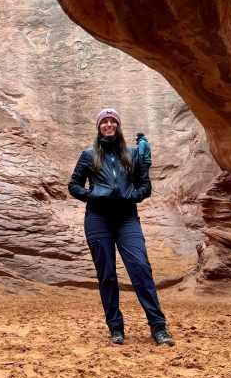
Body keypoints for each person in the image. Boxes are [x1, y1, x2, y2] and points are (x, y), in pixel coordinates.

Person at [68, 108, 175, 346]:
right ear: (99, 127)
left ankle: (158, 327)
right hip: (98, 219)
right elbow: (73, 185)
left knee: (140, 267)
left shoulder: (133, 154)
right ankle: (115, 328)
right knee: (106, 274)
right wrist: (93, 196)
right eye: (104, 122)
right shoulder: (89, 155)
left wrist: (134, 189)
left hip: (127, 219)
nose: (108, 125)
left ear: (118, 125)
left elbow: (145, 187)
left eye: (112, 121)